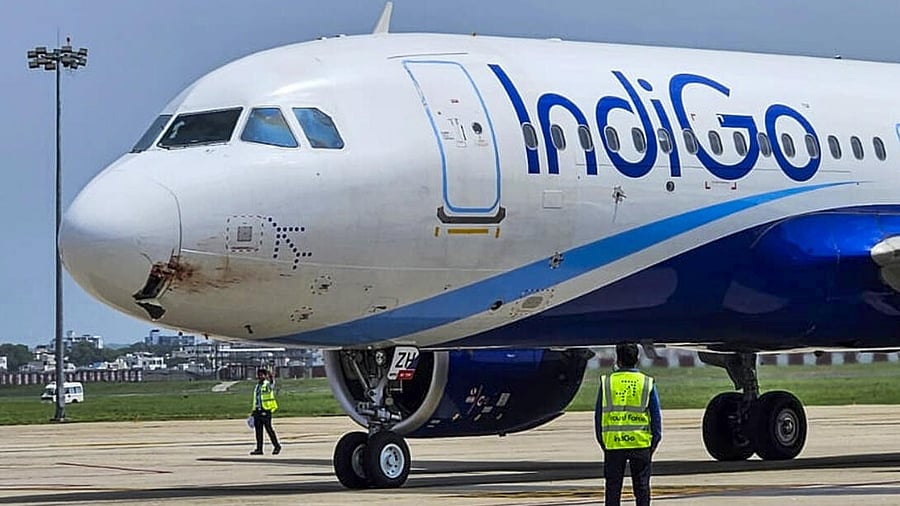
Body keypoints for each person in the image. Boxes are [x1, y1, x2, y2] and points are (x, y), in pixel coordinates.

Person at [595, 343, 662, 506]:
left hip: (614, 443)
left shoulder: (607, 382)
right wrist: (653, 443)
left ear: (618, 360)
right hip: (640, 443)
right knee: (642, 488)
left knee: (612, 488)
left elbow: (598, 417)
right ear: (637, 359)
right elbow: (656, 418)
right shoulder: (646, 382)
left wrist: (604, 442)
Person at [250, 367, 281, 455]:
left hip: (266, 410)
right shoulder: (257, 386)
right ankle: (259, 448)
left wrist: (271, 377)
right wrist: (254, 411)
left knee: (269, 429)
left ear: (265, 375)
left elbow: (272, 384)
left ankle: (276, 446)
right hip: (258, 411)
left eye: (262, 375)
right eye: (258, 375)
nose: (260, 376)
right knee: (258, 431)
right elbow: (256, 399)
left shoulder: (267, 384)